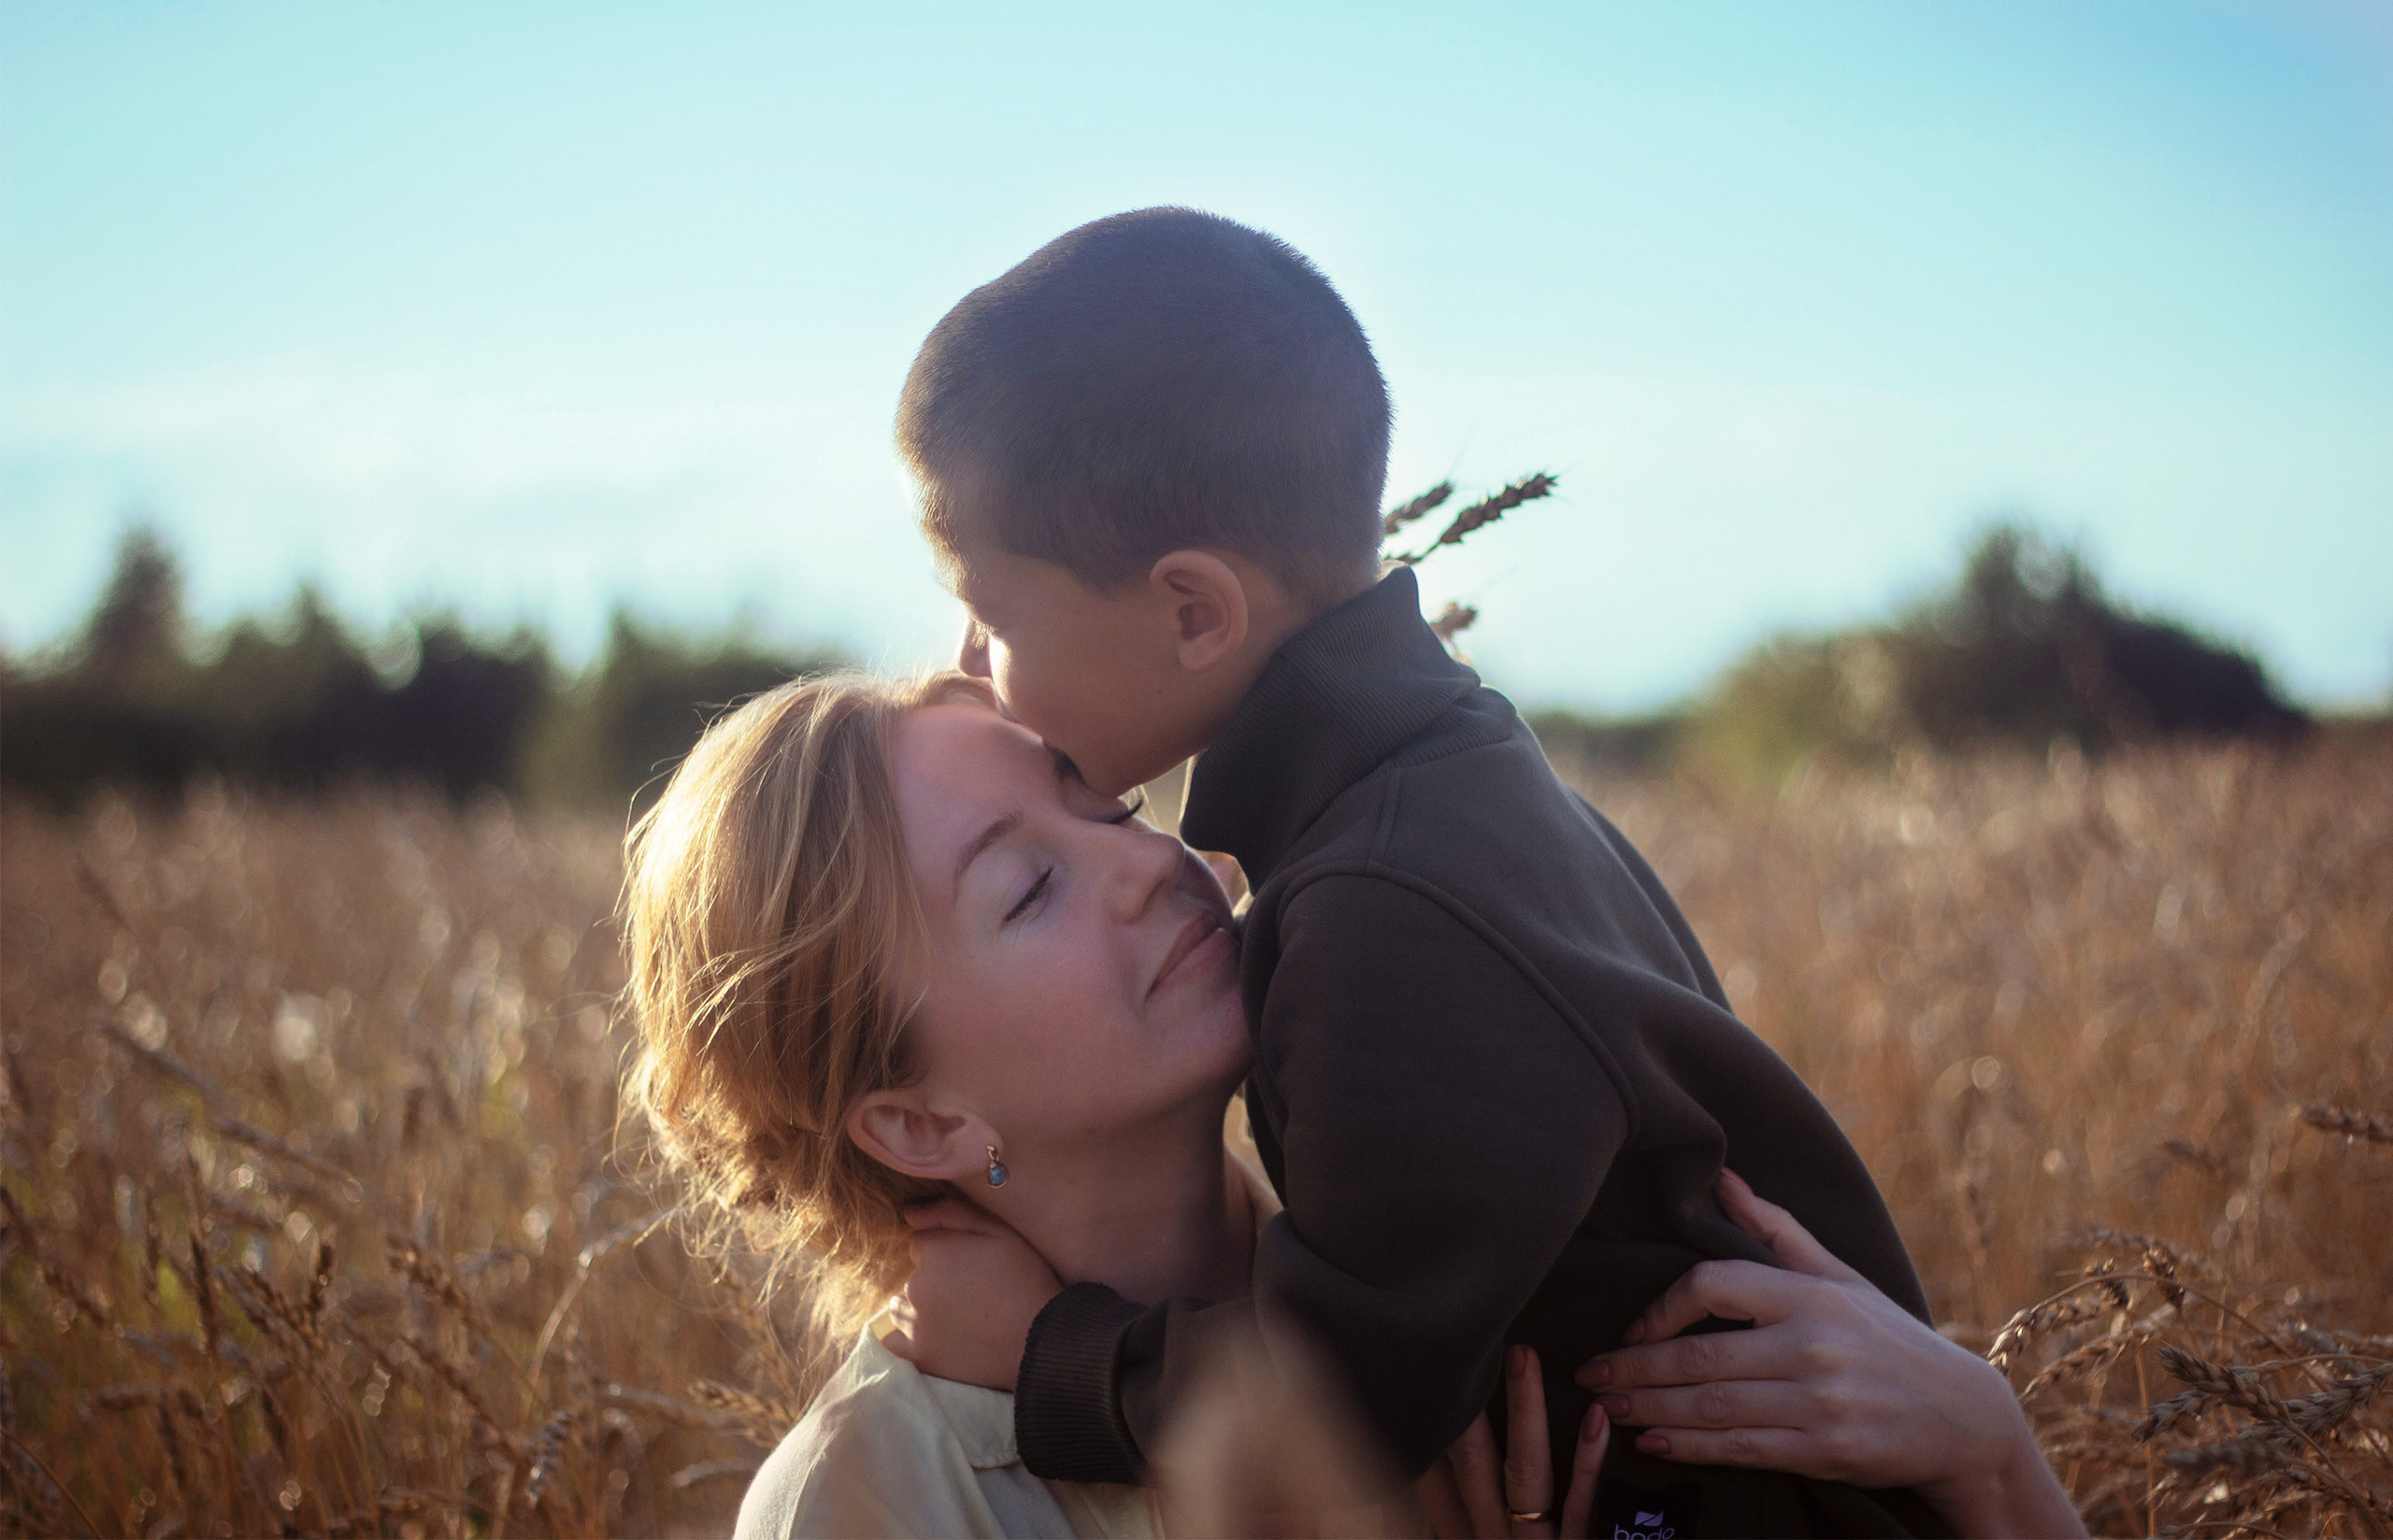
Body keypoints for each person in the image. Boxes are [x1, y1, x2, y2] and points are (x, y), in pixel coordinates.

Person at [894, 206, 1948, 1534]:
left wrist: (1054, 1361)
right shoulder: (1435, 783)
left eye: (994, 617)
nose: (975, 665)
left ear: (1192, 612)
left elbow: (1338, 1396)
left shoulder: (1386, 904)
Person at [622, 671, 2082, 1539]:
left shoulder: (1466, 1288)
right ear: (918, 1121)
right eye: (1028, 886)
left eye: (1104, 805)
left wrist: (1983, 1449)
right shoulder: (882, 1494)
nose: (1152, 860)